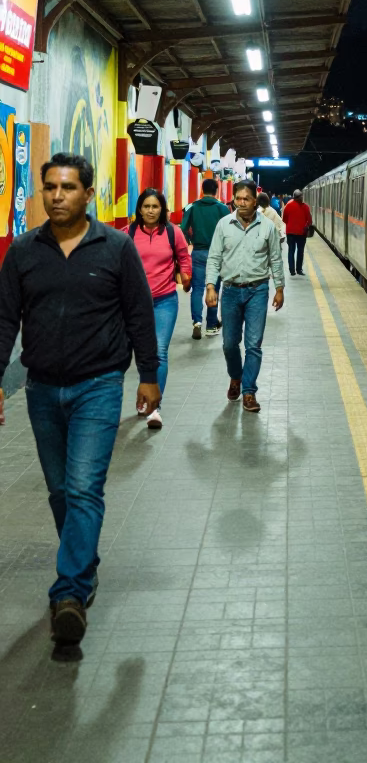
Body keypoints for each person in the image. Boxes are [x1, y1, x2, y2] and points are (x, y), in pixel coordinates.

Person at [0, 153, 159, 650]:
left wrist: (149, 377)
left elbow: (138, 313)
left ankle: (68, 593)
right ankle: (84, 565)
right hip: (42, 388)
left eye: (68, 188)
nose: (57, 196)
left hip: (100, 384)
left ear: (89, 195)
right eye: (49, 187)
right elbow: (5, 320)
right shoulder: (23, 252)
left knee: (84, 487)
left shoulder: (115, 248)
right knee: (60, 492)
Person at [206, 180, 285, 413]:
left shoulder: (267, 227)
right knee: (230, 344)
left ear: (254, 200)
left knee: (253, 345)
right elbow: (214, 257)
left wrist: (279, 288)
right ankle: (235, 377)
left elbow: (276, 259)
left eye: (246, 199)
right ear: (233, 199)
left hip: (258, 290)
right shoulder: (223, 225)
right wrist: (211, 286)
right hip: (229, 290)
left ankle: (249, 391)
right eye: (238, 198)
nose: (241, 203)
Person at [128, 188, 192, 429]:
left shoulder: (172, 233)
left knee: (160, 351)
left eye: (155, 206)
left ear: (162, 209)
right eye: (146, 206)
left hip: (165, 300)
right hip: (134, 305)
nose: (151, 210)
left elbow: (184, 256)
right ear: (139, 209)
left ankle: (155, 407)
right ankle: (145, 388)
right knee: (138, 353)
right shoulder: (129, 233)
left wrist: (186, 276)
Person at [181, 177, 230, 339]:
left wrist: (189, 242)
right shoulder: (223, 209)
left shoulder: (193, 207)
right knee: (213, 289)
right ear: (216, 192)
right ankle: (211, 325)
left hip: (198, 253)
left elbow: (182, 229)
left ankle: (197, 323)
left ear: (202, 190)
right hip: (217, 255)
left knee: (198, 289)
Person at [283, 188, 313, 277]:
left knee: (291, 251)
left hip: (291, 233)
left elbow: (284, 219)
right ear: (297, 197)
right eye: (300, 196)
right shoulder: (305, 207)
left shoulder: (288, 205)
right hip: (300, 233)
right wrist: (305, 225)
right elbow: (310, 221)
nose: (301, 198)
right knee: (300, 251)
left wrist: (291, 225)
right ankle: (298, 269)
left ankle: (292, 270)